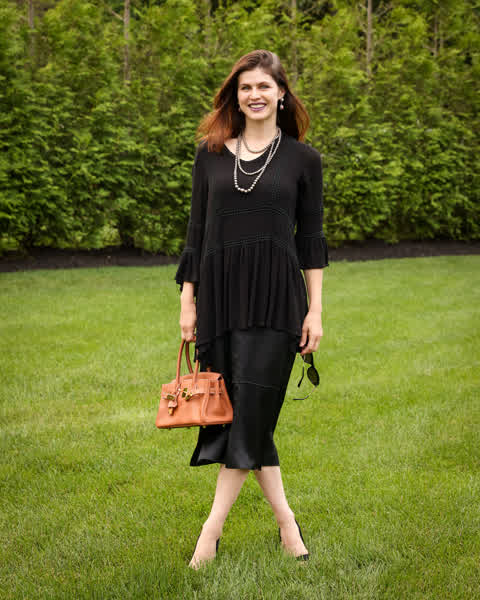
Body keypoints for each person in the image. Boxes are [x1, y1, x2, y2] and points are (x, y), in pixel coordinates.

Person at [174, 49, 329, 569]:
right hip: (219, 300)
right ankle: (288, 525)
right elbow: (196, 232)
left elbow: (311, 241)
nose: (255, 95)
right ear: (235, 96)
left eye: (264, 86)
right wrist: (188, 302)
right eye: (246, 87)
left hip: (277, 301)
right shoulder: (210, 155)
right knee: (245, 419)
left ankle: (209, 534)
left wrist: (315, 310)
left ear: (281, 94)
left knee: (251, 414)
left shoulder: (304, 160)